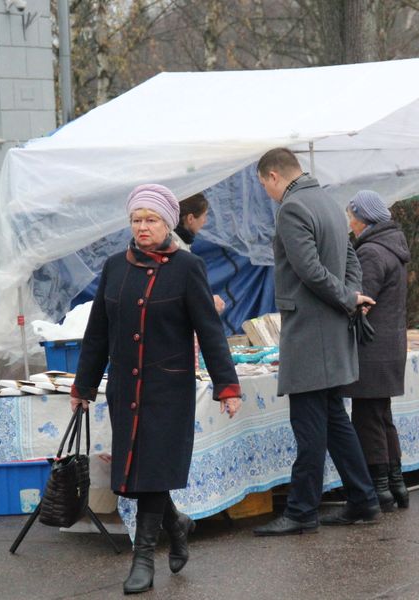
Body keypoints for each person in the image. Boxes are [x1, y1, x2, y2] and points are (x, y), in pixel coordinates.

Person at [70, 184, 242, 594]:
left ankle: (143, 558)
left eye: (151, 220)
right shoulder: (115, 267)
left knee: (151, 470)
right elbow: (97, 334)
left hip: (168, 389)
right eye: (136, 219)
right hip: (126, 389)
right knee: (138, 473)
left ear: (168, 224)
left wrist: (227, 386)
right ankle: (177, 523)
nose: (143, 227)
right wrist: (83, 386)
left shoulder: (187, 268)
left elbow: (210, 330)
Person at [251, 148, 379, 535]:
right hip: (333, 331)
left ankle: (302, 511)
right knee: (336, 421)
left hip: (310, 333)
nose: (268, 194)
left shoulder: (292, 209)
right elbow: (350, 261)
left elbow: (308, 270)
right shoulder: (329, 201)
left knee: (309, 427)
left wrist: (345, 298)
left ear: (274, 176)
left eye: (264, 186)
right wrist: (352, 296)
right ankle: (363, 499)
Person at [339, 190, 411, 512]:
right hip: (389, 346)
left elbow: (360, 302)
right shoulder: (392, 248)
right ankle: (397, 483)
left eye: (351, 216)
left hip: (371, 349)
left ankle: (379, 487)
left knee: (367, 417)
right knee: (383, 417)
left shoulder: (370, 252)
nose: (349, 222)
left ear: (363, 218)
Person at [173, 193, 226, 314]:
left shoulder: (180, 243)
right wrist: (208, 303)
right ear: (190, 218)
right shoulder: (174, 247)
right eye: (204, 216)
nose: (205, 221)